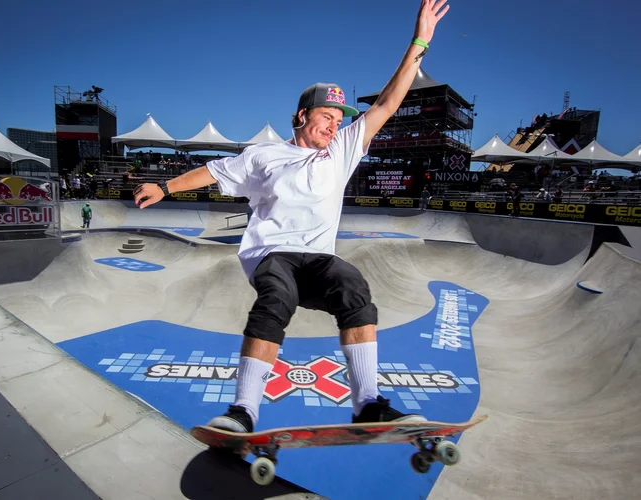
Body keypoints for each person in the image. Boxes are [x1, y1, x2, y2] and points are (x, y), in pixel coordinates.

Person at [133, 0, 450, 433]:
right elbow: (211, 171)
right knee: (277, 298)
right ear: (302, 116)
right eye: (326, 117)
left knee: (354, 287)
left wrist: (420, 41)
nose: (333, 126)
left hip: (318, 259)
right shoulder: (263, 156)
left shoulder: (342, 148)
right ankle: (243, 411)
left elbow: (389, 103)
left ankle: (367, 404)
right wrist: (166, 187)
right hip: (271, 255)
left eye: (339, 120)